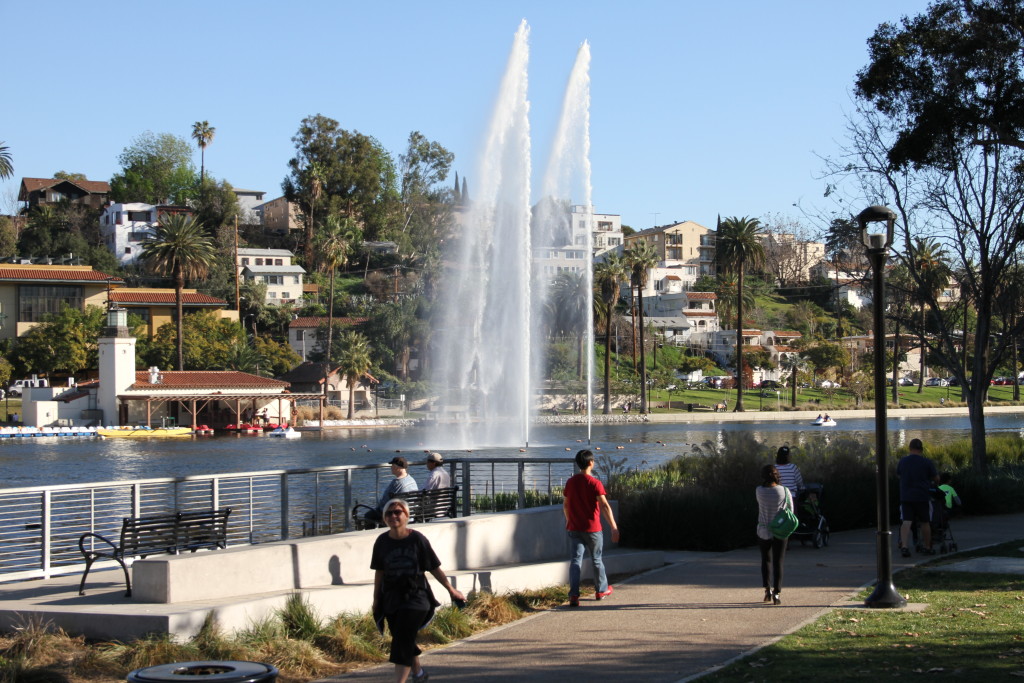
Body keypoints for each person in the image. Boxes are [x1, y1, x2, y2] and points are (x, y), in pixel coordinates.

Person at [371, 497, 465, 683]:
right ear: (384, 518)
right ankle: (419, 673)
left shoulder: (417, 540)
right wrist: (376, 600)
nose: (393, 516)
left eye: (398, 512)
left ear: (406, 516)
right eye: (389, 513)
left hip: (416, 598)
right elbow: (379, 572)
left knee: (402, 641)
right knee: (401, 636)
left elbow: (434, 567)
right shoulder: (381, 542)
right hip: (392, 598)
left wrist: (450, 589)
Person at [563, 449, 620, 607]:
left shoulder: (570, 482)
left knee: (575, 561)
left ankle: (574, 595)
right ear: (590, 463)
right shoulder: (595, 483)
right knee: (596, 559)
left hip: (574, 528)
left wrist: (569, 521)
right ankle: (601, 590)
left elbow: (566, 505)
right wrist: (614, 527)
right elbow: (604, 506)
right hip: (593, 528)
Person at [756, 463, 792, 605]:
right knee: (778, 561)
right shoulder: (784, 491)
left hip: (763, 530)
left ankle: (767, 590)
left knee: (766, 560)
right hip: (781, 531)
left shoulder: (759, 491)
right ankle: (777, 593)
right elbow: (790, 509)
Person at [897, 438, 939, 557]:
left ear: (910, 449)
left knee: (906, 521)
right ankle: (927, 546)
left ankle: (904, 546)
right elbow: (936, 478)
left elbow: (898, 474)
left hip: (906, 496)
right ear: (921, 449)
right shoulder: (926, 462)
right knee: (925, 522)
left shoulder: (903, 461)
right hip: (921, 496)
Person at [365, 457, 419, 524]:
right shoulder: (412, 480)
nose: (391, 468)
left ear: (398, 467)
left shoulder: (396, 483)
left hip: (395, 515)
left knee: (367, 516)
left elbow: (384, 503)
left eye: (392, 466)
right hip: (410, 515)